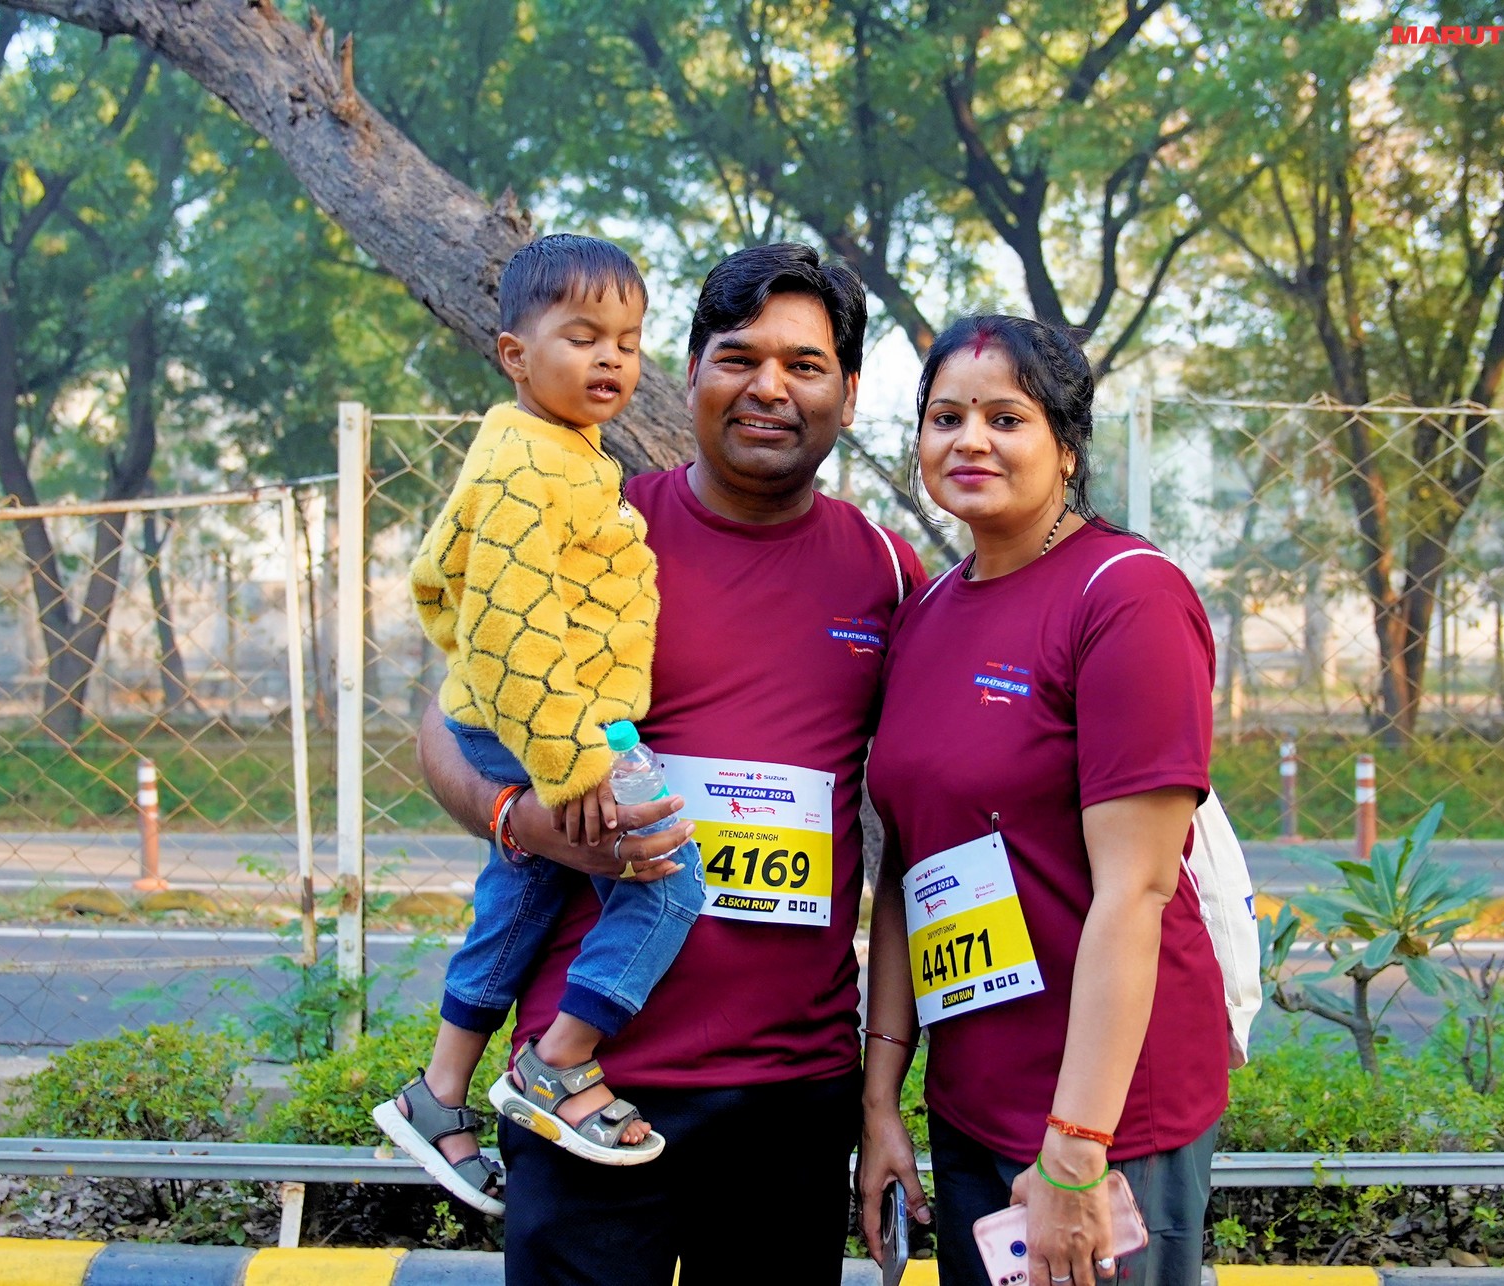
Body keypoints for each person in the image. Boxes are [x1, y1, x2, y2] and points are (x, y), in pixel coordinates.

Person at [415, 242, 925, 1284]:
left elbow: (922, 822)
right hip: (586, 1086)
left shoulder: (885, 570)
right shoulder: (601, 528)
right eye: (738, 358)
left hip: (791, 1091)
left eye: (805, 365)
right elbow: (447, 721)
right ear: (689, 373)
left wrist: (881, 1102)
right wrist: (520, 820)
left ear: (848, 394)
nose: (769, 387)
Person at [858, 315, 1226, 1286]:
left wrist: (1075, 1145)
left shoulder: (1127, 597)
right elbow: (908, 869)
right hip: (971, 1101)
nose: (969, 441)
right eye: (945, 418)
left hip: (1105, 1119)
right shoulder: (927, 612)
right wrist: (882, 1099)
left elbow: (1138, 889)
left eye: (1005, 418)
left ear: (1066, 445)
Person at [376, 234, 706, 1211]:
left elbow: (456, 587)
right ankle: (557, 1063)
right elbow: (513, 630)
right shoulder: (529, 466)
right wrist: (576, 768)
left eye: (628, 342)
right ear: (515, 354)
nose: (611, 359)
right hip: (552, 729)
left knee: (521, 893)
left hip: (525, 718)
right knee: (665, 876)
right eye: (583, 337)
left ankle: (439, 1090)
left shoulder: (555, 451)